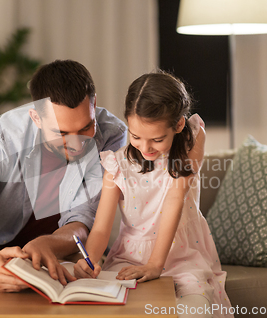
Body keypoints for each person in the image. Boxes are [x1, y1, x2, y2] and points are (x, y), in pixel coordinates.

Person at [0, 60, 127, 297]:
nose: (78, 144)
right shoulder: (0, 139)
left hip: (62, 246)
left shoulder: (112, 135)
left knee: (93, 277)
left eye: (86, 127)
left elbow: (82, 221)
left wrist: (46, 245)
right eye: (62, 133)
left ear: (94, 106)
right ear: (36, 118)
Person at [73, 71, 233, 318]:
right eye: (136, 136)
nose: (146, 148)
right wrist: (90, 259)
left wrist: (156, 266)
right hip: (130, 256)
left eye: (157, 139)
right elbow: (102, 228)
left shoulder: (192, 139)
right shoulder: (116, 164)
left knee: (196, 311)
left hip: (182, 254)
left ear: (178, 125)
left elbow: (174, 198)